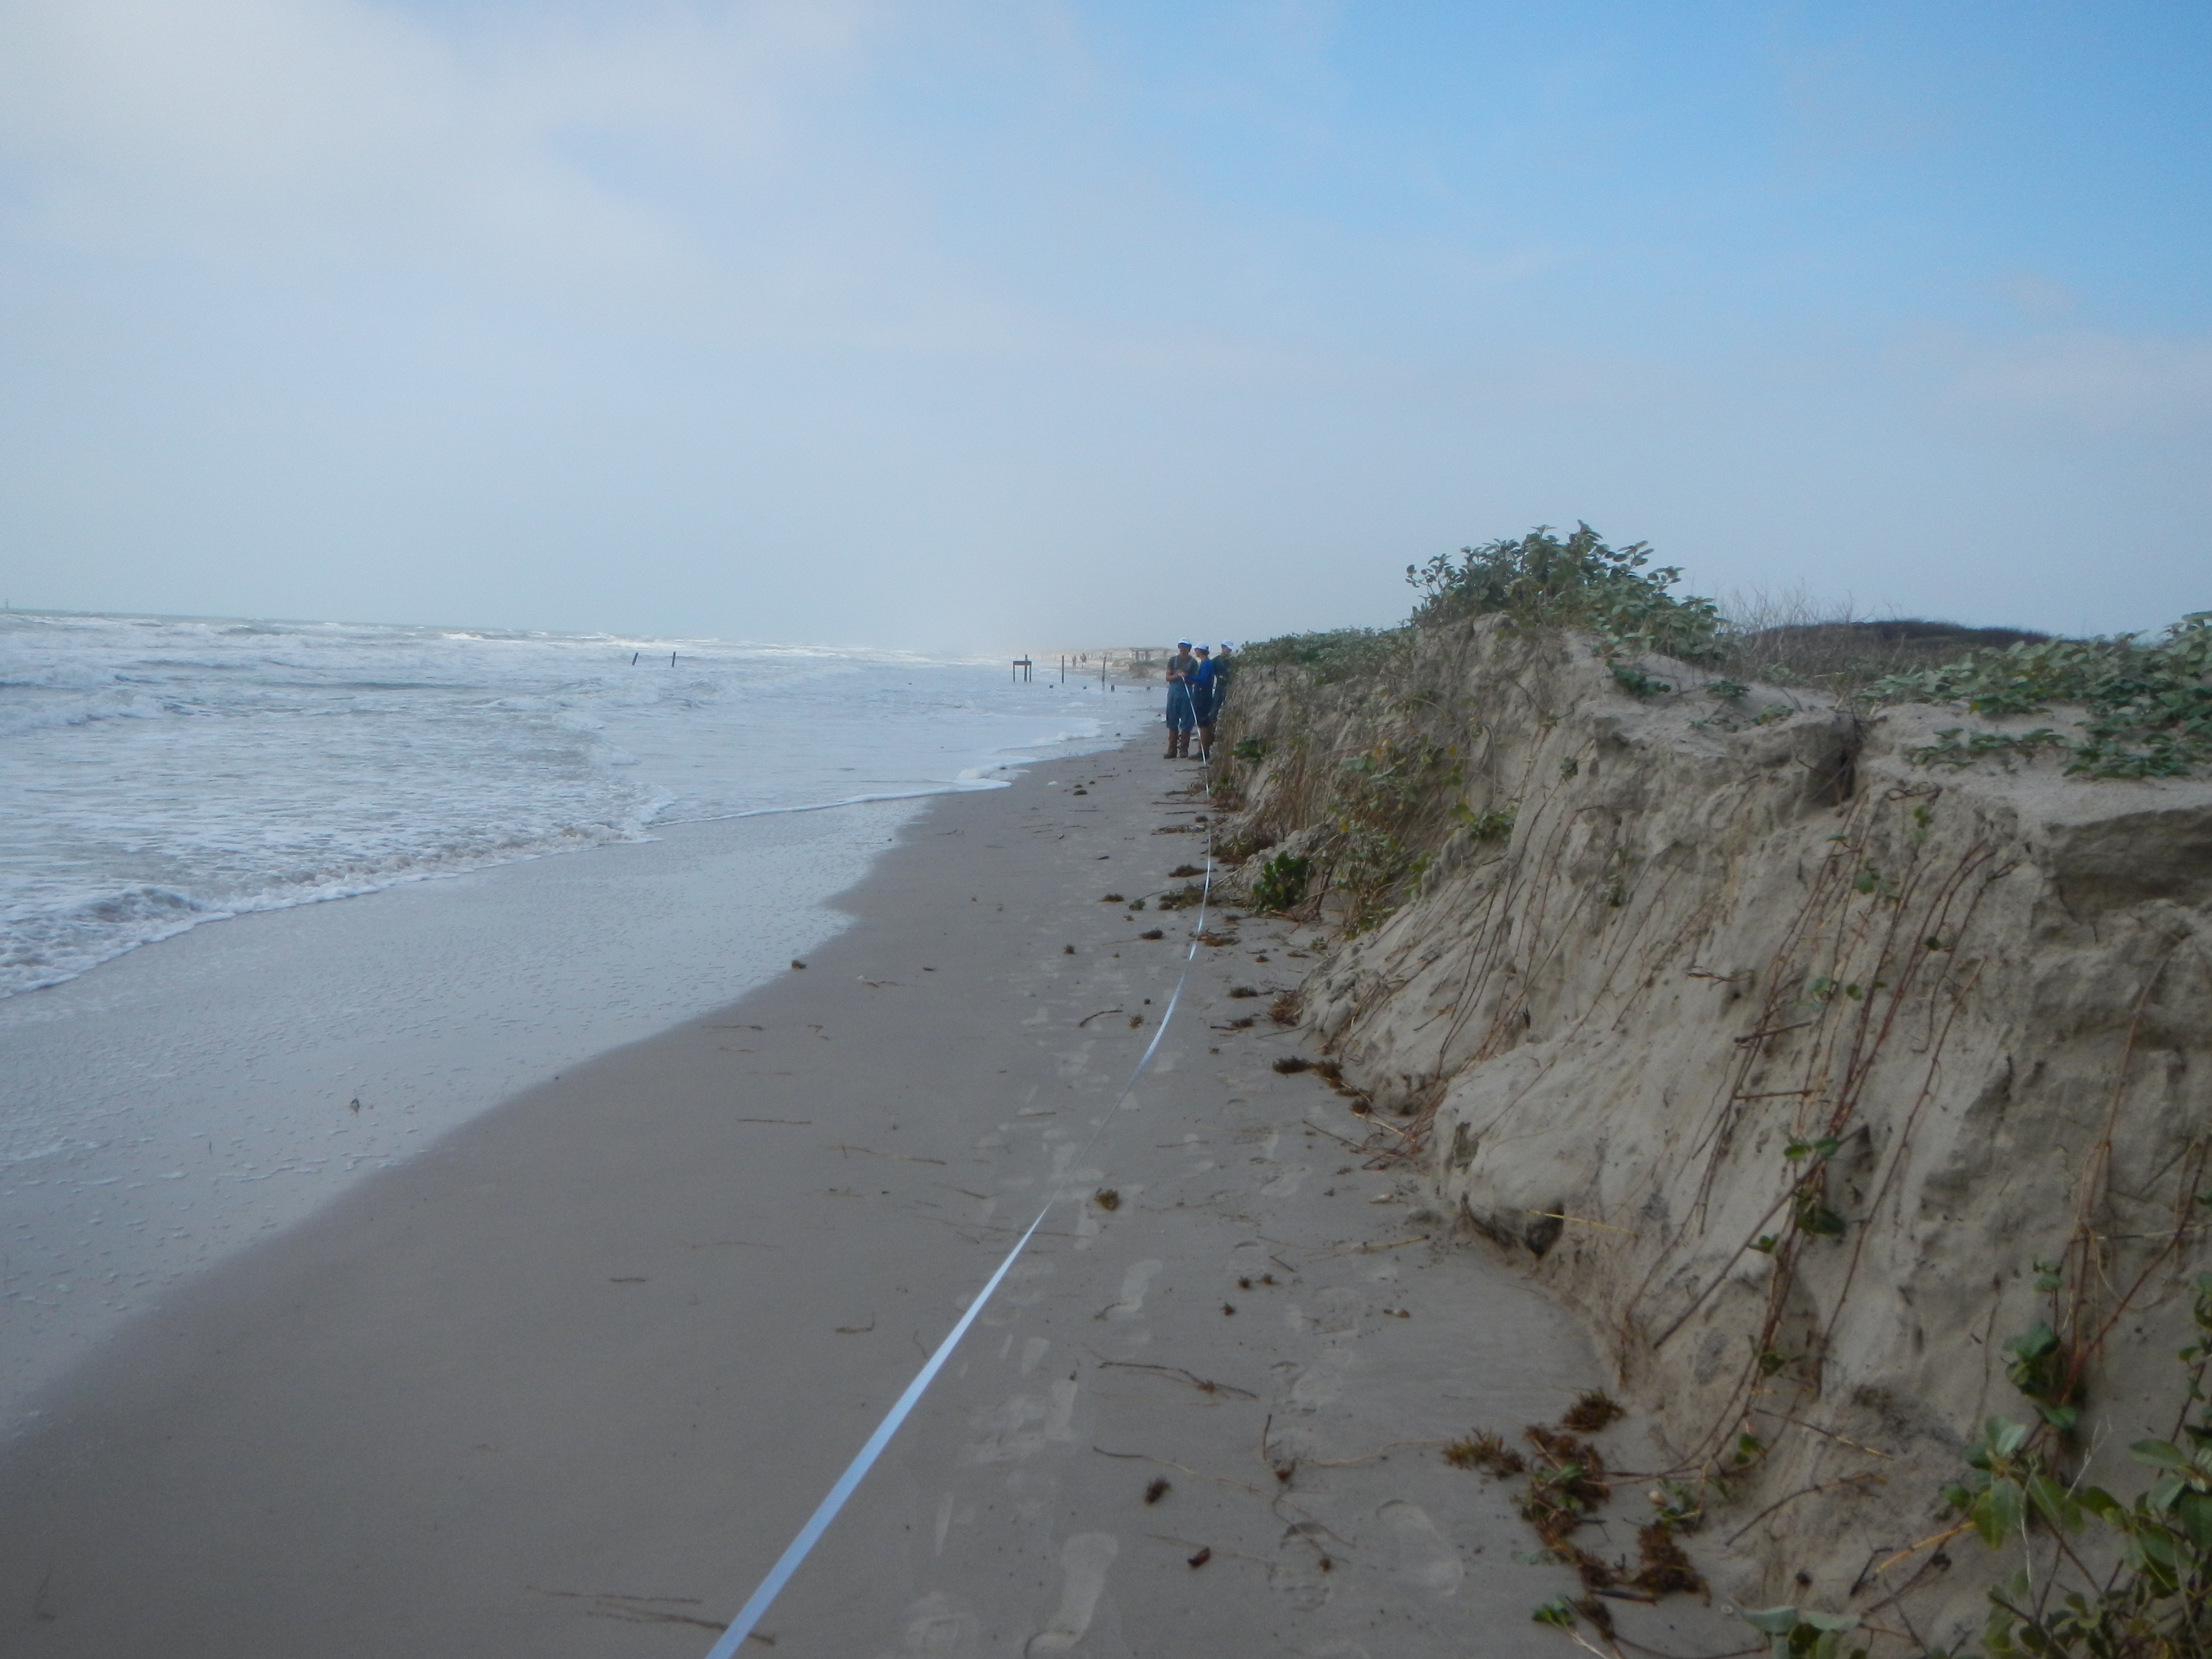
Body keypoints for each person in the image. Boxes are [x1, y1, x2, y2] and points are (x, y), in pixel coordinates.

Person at [1163, 640, 1198, 758]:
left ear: (1189, 648)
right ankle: (1172, 750)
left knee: (1187, 722)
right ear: (1178, 647)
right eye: (1182, 647)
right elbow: (1167, 678)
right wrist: (1177, 676)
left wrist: (1186, 676)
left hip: (1186, 695)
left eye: (1186, 647)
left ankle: (1184, 750)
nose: (1183, 649)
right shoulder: (1173, 660)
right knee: (1172, 721)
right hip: (1173, 694)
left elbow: (1194, 680)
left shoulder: (1193, 662)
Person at [1187, 644, 1217, 759]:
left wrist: (1188, 677)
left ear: (1201, 651)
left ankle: (1204, 752)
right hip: (1201, 696)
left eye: (1196, 650)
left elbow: (1203, 681)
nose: (1195, 651)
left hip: (1203, 697)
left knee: (1203, 724)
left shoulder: (1207, 664)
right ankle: (1202, 751)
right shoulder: (1205, 663)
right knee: (1201, 724)